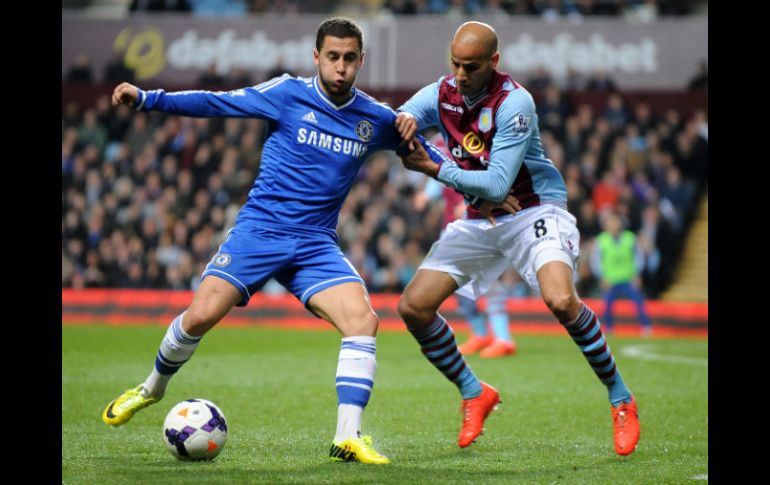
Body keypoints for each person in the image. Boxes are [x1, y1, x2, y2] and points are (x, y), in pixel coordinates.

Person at [101, 17, 448, 465]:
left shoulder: (376, 118)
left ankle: (347, 436)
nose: (340, 68)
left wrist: (480, 187)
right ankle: (150, 389)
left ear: (361, 60)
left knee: (362, 322)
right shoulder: (286, 94)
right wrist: (148, 99)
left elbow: (426, 153)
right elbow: (215, 102)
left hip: (315, 243)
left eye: (349, 59)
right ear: (316, 57)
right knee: (200, 315)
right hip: (260, 231)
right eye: (332, 57)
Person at [394, 21, 640, 455]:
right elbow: (401, 124)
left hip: (533, 209)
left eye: (471, 66)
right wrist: (409, 131)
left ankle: (621, 399)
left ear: (494, 62)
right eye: (455, 64)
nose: (461, 74)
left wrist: (434, 168)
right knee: (413, 307)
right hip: (479, 217)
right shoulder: (441, 92)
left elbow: (497, 184)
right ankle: (474, 391)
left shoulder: (515, 102)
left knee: (562, 300)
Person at [417, 134, 517, 358]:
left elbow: (494, 173)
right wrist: (426, 195)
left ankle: (503, 338)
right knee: (457, 285)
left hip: (479, 222)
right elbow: (437, 174)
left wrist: (473, 202)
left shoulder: (477, 136)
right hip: (452, 228)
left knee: (487, 282)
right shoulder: (439, 142)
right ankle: (481, 333)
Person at [591, 212, 652, 336]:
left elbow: (638, 257)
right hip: (610, 279)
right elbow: (595, 260)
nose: (613, 224)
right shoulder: (601, 240)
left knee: (639, 302)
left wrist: (637, 274)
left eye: (615, 221)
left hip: (628, 278)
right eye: (610, 222)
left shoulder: (630, 238)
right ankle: (609, 329)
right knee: (607, 306)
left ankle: (646, 327)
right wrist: (601, 277)